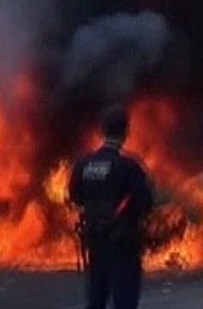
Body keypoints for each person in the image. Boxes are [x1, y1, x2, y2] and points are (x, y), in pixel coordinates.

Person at [68, 106, 154, 309]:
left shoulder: (83, 164)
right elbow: (145, 203)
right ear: (125, 132)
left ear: (102, 131)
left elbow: (76, 198)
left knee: (96, 299)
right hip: (123, 245)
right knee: (124, 300)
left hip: (95, 243)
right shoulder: (128, 166)